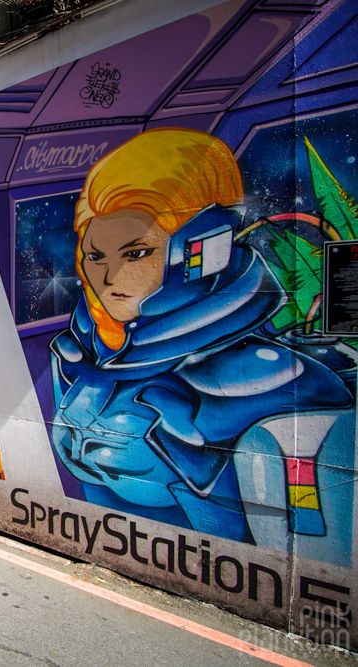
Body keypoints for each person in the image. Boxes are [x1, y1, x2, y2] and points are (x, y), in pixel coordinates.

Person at [50, 127, 355, 548]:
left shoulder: (277, 377)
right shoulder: (80, 351)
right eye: (95, 256)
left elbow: (295, 524)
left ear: (200, 246)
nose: (109, 277)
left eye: (136, 253)